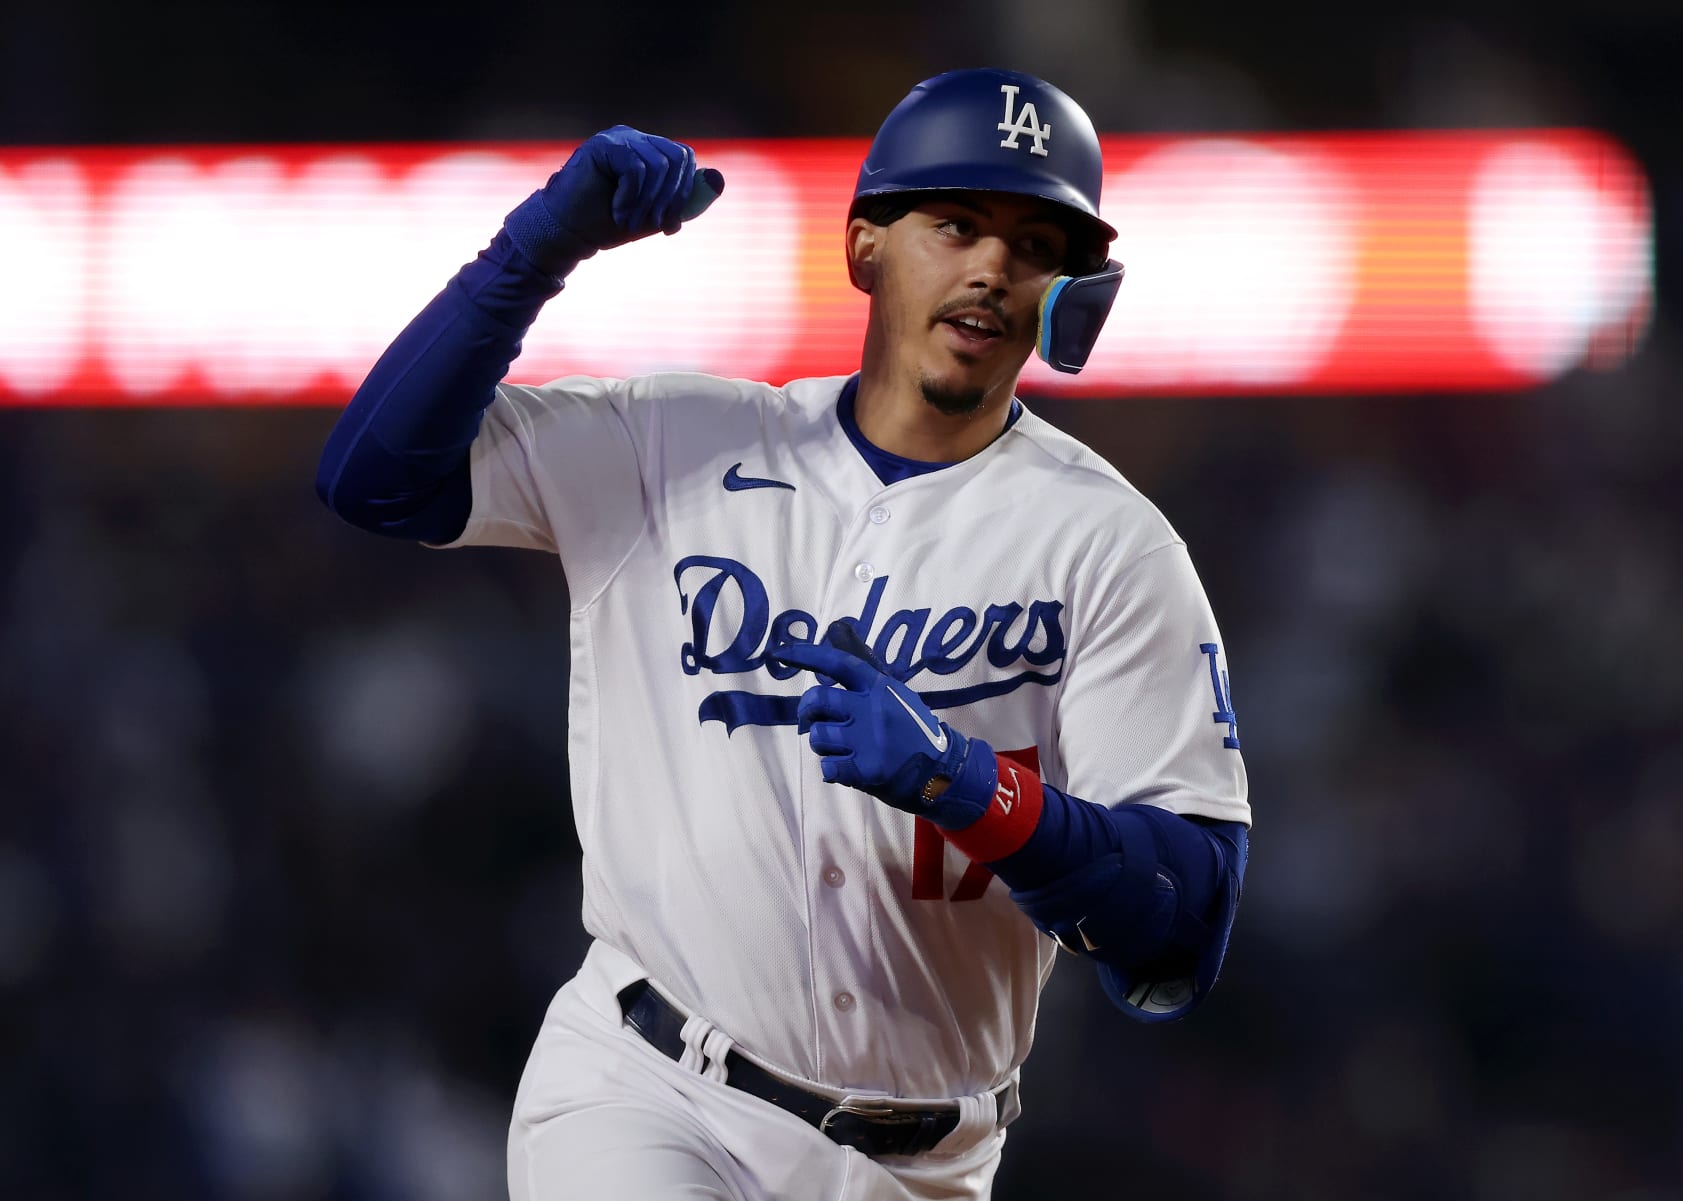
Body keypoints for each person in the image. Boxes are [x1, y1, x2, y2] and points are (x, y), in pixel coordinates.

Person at [317, 68, 1250, 1201]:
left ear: (1071, 291)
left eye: (1037, 243)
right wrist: (534, 252)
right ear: (865, 246)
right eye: (955, 223)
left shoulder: (1109, 544)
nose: (993, 267)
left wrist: (972, 786)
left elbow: (1182, 925)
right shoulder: (674, 442)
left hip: (934, 1161)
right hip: (649, 1092)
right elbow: (375, 479)